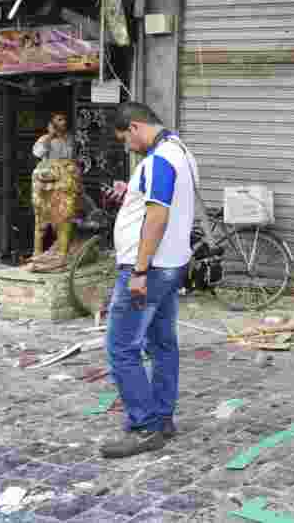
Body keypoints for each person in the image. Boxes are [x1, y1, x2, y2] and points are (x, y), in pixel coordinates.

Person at [99, 102, 199, 459]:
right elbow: (158, 202)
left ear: (136, 127)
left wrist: (139, 271)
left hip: (150, 269)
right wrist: (133, 193)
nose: (128, 146)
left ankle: (145, 425)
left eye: (126, 138)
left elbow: (157, 216)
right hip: (171, 265)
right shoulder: (181, 152)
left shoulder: (159, 160)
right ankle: (162, 416)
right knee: (161, 343)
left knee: (121, 347)